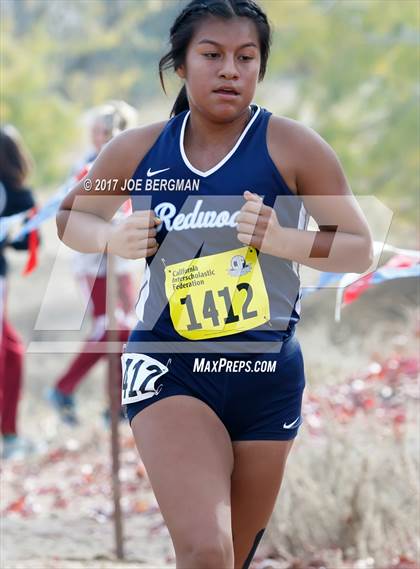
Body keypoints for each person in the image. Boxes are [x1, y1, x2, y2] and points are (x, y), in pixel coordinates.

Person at [56, 0, 374, 566]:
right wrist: (112, 237)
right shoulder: (137, 149)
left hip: (265, 374)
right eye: (212, 55)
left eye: (245, 57)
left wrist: (284, 240)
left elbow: (358, 245)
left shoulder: (294, 146)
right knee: (206, 549)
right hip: (170, 366)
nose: (230, 69)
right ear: (181, 65)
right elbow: (70, 219)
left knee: (234, 558)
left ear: (259, 68)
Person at [48, 102, 137, 425]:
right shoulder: (88, 165)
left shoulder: (132, 159)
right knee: (111, 328)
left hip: (122, 260)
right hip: (94, 260)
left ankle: (116, 406)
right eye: (94, 132)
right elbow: (76, 210)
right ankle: (64, 388)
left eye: (101, 131)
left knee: (127, 330)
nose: (95, 137)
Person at [0, 125, 40, 459]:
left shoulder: (15, 194)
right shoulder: (16, 192)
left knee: (10, 351)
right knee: (6, 351)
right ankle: (9, 435)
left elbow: (24, 241)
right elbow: (26, 242)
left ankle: (10, 432)